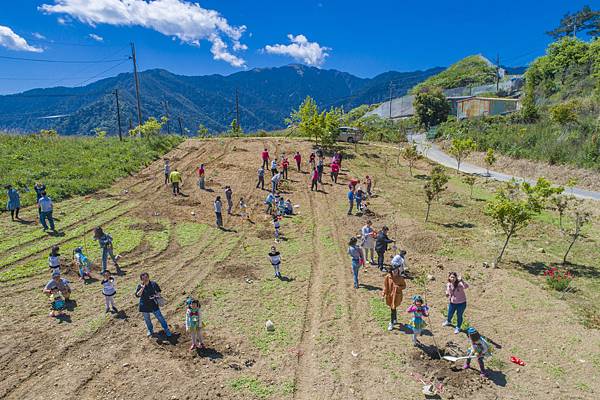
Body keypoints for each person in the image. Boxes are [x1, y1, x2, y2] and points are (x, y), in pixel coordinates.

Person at [135, 272, 172, 337]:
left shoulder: (154, 284)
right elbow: (138, 295)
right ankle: (150, 330)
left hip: (153, 304)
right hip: (144, 305)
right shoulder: (140, 286)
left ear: (149, 277)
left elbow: (159, 292)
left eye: (146, 277)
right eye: (143, 278)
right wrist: (142, 288)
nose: (145, 279)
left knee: (160, 318)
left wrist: (156, 295)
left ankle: (166, 329)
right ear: (141, 280)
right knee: (147, 320)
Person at [382, 265, 407, 331]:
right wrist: (383, 294)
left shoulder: (400, 278)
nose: (395, 271)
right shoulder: (388, 277)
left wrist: (398, 288)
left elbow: (404, 286)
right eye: (394, 270)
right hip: (390, 296)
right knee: (393, 308)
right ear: (391, 271)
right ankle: (395, 319)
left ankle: (391, 323)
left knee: (393, 308)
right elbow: (385, 286)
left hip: (396, 296)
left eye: (396, 270)